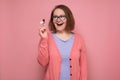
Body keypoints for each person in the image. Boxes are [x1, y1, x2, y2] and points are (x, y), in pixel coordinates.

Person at [37, 4, 87, 80]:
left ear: (68, 18)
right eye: (55, 17)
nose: (58, 19)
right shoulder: (47, 38)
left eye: (62, 16)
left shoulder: (79, 39)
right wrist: (44, 39)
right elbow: (43, 62)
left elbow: (83, 67)